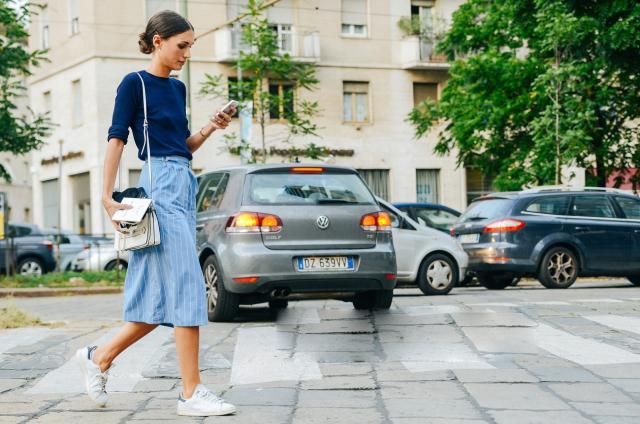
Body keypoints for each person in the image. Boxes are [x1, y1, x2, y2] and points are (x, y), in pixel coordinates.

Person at [74, 10, 237, 417]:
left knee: (155, 299)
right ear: (158, 40)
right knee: (187, 287)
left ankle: (99, 356)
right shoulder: (135, 84)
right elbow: (116, 140)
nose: (186, 53)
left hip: (182, 180)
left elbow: (182, 145)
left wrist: (210, 128)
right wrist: (108, 198)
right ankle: (191, 393)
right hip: (159, 183)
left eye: (190, 47)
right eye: (181, 45)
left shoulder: (177, 89)